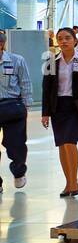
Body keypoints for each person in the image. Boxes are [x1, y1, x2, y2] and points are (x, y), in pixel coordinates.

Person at [0, 28, 34, 192]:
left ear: (2, 44)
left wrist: (26, 106)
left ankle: (19, 171)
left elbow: (25, 82)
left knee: (15, 145)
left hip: (13, 107)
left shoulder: (16, 60)